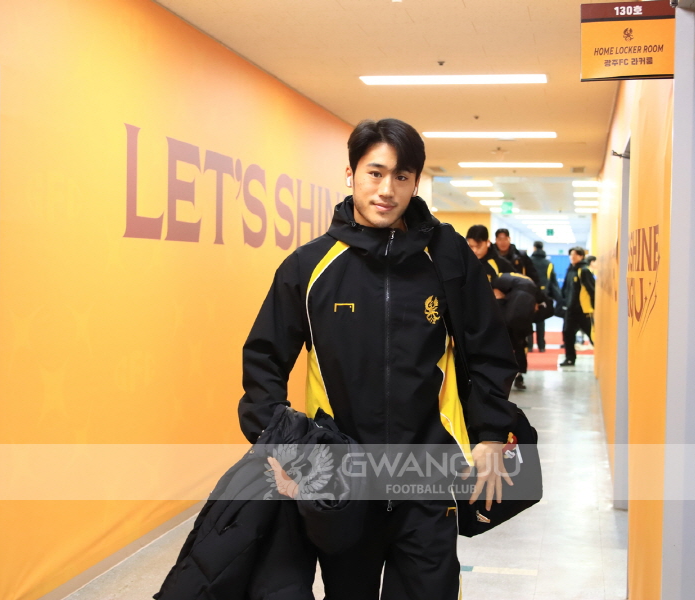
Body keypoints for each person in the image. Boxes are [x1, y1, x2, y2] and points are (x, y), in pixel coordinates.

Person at [238, 118, 518, 600]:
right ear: (350, 174)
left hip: (428, 476)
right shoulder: (309, 267)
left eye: (402, 176)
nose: (387, 190)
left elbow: (490, 348)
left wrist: (491, 433)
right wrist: (280, 446)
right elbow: (264, 360)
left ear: (415, 182)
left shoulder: (446, 259)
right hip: (343, 480)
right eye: (375, 173)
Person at [464, 225, 529, 390]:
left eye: (478, 246)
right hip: (471, 316)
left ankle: (516, 376)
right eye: (471, 246)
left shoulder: (500, 264)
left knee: (507, 348)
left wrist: (502, 294)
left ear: (487, 242)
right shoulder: (464, 261)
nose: (474, 250)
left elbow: (518, 287)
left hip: (498, 317)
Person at [560, 246, 595, 367]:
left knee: (592, 335)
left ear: (581, 256)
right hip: (570, 310)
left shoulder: (584, 271)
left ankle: (603, 356)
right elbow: (565, 288)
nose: (572, 257)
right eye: (571, 255)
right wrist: (564, 302)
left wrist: (593, 308)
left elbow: (592, 290)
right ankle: (570, 358)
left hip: (583, 310)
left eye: (575, 255)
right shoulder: (570, 270)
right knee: (567, 333)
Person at [528, 241, 563, 352]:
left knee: (528, 320)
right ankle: (541, 346)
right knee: (540, 320)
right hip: (543, 294)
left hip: (528, 293)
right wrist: (558, 297)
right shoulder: (549, 264)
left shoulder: (528, 261)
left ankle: (529, 346)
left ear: (534, 248)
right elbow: (553, 282)